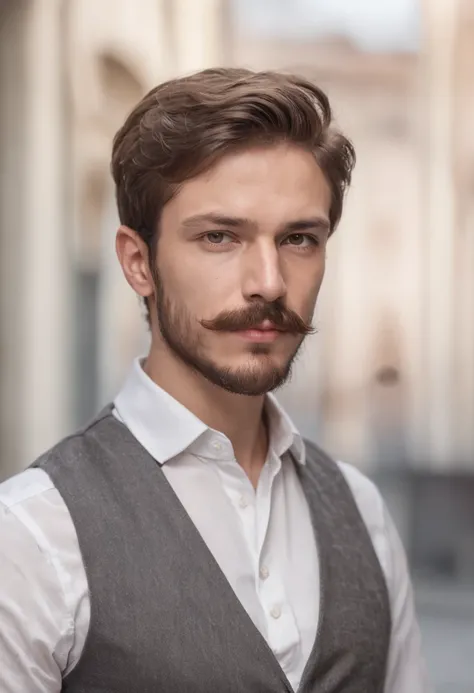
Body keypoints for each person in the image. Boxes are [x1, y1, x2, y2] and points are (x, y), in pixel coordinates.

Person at [0, 68, 431, 693]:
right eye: (220, 236)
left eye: (299, 238)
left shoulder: (363, 514)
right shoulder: (32, 536)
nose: (269, 282)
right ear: (138, 262)